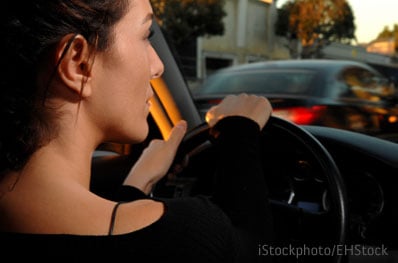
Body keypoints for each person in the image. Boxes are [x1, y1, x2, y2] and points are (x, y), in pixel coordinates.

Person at [0, 0, 274, 262]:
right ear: (78, 64)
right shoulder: (185, 238)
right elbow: (254, 248)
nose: (158, 66)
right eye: (145, 35)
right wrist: (240, 132)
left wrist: (135, 186)